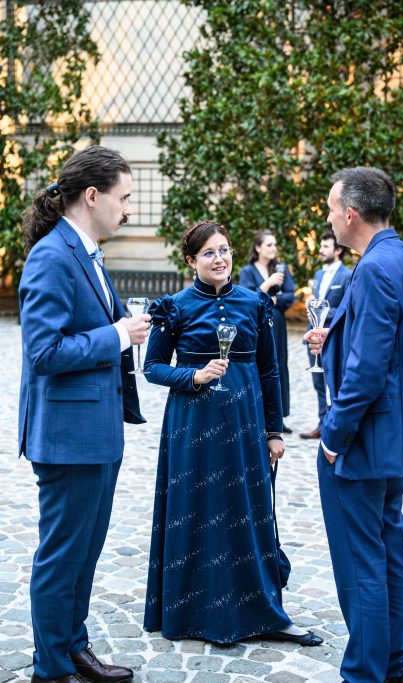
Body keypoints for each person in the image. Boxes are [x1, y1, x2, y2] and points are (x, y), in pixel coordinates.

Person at [142, 220, 322, 647]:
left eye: (223, 250)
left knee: (249, 511)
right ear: (192, 260)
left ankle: (264, 612)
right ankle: (193, 611)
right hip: (192, 427)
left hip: (245, 425)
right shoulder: (175, 307)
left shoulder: (255, 303)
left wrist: (274, 430)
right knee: (197, 508)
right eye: (208, 253)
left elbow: (269, 370)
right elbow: (152, 368)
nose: (219, 258)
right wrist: (194, 375)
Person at [304, 167, 403, 683]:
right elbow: (386, 342)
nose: (327, 219)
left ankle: (365, 673)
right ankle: (392, 664)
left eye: (330, 209)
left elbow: (368, 371)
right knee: (389, 551)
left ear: (351, 214)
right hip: (392, 436)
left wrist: (333, 437)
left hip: (363, 440)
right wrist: (335, 337)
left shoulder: (374, 269)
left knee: (361, 562)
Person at [17, 146, 151, 683]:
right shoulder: (51, 256)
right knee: (62, 556)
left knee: (85, 553)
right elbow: (43, 352)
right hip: (67, 439)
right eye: (124, 198)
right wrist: (117, 335)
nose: (129, 210)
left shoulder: (87, 252)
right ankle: (50, 669)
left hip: (97, 434)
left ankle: (74, 648)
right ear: (92, 196)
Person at [238, 231, 296, 433]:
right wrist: (268, 284)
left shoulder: (281, 268)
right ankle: (257, 413)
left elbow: (291, 295)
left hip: (277, 323)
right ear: (258, 248)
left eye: (274, 245)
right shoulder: (247, 271)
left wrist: (275, 300)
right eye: (269, 245)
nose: (273, 249)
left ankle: (278, 416)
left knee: (279, 364)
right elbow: (246, 298)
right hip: (256, 324)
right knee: (259, 363)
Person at [300, 229, 352, 440]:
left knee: (334, 381)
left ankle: (334, 424)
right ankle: (323, 424)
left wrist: (319, 309)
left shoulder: (347, 275)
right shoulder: (319, 274)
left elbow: (346, 309)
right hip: (312, 336)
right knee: (318, 383)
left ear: (338, 250)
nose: (320, 250)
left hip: (332, 337)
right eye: (320, 246)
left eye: (325, 246)